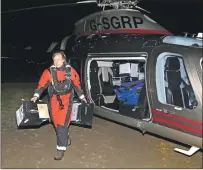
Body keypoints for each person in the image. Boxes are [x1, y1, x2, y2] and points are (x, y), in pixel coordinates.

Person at [31, 51, 86, 160]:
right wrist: (36, 96)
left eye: (58, 59)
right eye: (54, 59)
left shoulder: (70, 71)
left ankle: (61, 149)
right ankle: (65, 136)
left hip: (66, 101)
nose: (56, 62)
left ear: (63, 60)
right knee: (56, 122)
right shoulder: (49, 72)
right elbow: (42, 84)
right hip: (53, 101)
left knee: (62, 124)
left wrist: (83, 98)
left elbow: (77, 85)